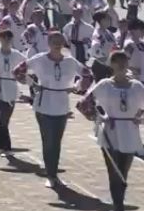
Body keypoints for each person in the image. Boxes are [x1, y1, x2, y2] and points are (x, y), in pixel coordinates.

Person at [78, 50, 144, 211]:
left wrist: (143, 118)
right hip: (110, 133)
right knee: (114, 173)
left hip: (129, 133)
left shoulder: (136, 87)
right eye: (116, 62)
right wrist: (99, 117)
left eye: (123, 62)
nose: (120, 65)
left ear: (127, 64)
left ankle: (118, 210)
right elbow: (84, 104)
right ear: (111, 65)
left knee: (123, 174)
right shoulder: (104, 85)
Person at [13, 31, 91, 187]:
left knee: (57, 141)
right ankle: (51, 174)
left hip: (62, 106)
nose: (57, 44)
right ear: (48, 43)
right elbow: (17, 71)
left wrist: (76, 87)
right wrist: (32, 83)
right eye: (54, 41)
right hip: (43, 104)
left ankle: (53, 172)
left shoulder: (70, 61)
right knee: (48, 140)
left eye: (60, 41)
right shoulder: (40, 59)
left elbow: (87, 74)